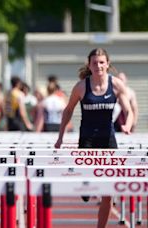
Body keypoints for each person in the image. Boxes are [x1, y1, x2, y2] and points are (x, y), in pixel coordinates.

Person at [54, 48, 132, 228]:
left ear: (107, 64)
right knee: (86, 188)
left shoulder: (116, 84)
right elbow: (68, 111)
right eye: (95, 63)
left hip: (108, 139)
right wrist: (60, 137)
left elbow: (129, 109)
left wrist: (127, 124)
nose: (98, 66)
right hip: (87, 140)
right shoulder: (82, 86)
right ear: (89, 65)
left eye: (102, 62)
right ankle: (86, 186)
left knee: (108, 191)